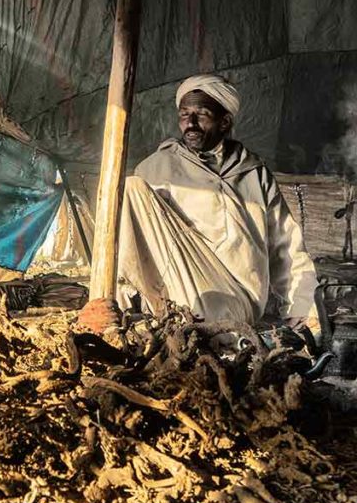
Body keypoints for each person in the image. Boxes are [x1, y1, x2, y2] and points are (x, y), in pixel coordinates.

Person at [115, 74, 316, 325]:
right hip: (186, 293)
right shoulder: (156, 169)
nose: (191, 123)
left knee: (221, 312)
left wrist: (299, 304)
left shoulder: (253, 172)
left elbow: (285, 243)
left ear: (225, 122)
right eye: (184, 114)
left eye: (202, 114)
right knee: (131, 189)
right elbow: (134, 246)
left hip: (242, 298)